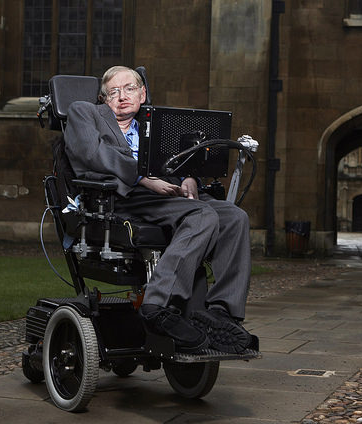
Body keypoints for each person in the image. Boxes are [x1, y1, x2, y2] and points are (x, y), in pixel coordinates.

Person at [64, 65, 253, 354]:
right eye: (113, 92)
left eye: (129, 89)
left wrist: (189, 176)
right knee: (203, 216)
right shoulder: (84, 112)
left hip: (170, 193)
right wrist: (143, 177)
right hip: (125, 196)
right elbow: (94, 154)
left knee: (235, 218)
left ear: (142, 94)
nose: (122, 96)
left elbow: (178, 161)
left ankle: (223, 313)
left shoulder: (156, 124)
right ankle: (158, 304)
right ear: (103, 99)